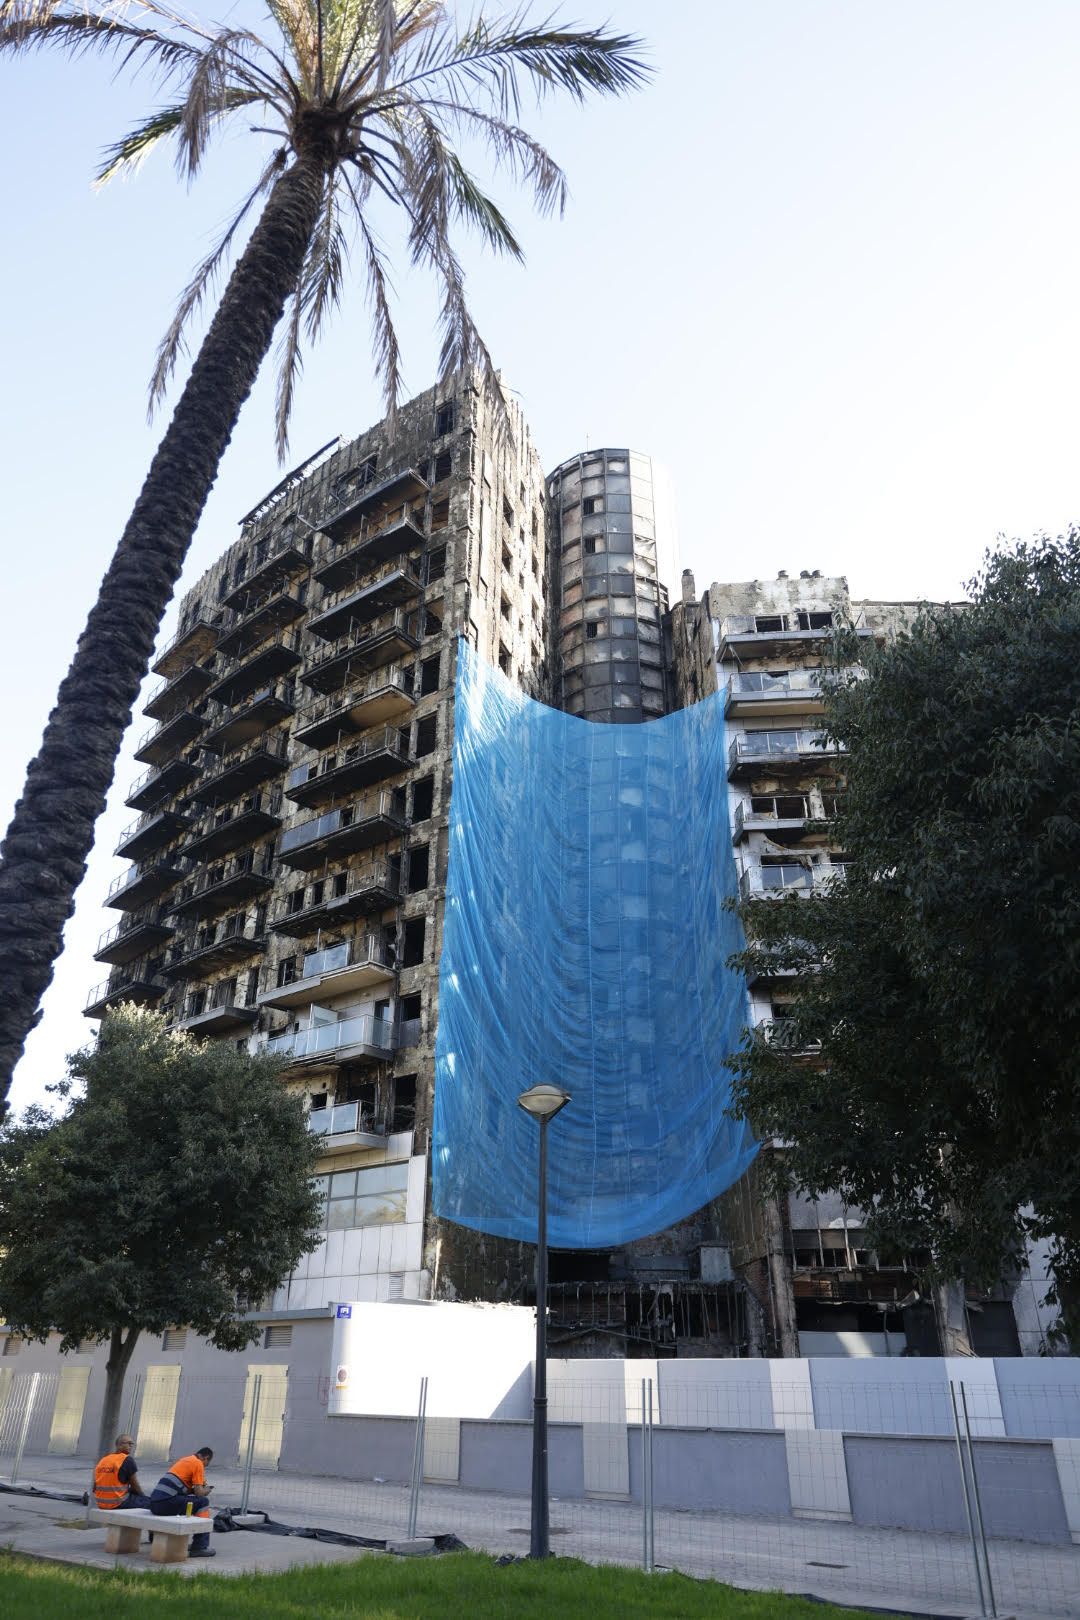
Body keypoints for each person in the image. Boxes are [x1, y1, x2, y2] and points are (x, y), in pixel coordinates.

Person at [149, 1446, 216, 1557]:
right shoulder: (198, 1463)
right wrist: (206, 1490)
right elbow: (199, 1493)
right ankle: (200, 1546)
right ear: (205, 1458)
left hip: (155, 1504)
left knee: (190, 1502)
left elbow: (180, 1488)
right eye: (206, 1465)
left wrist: (196, 1487)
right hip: (166, 1503)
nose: (204, 1468)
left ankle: (156, 1537)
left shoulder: (185, 1460)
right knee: (203, 1502)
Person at [92, 1433, 152, 1510]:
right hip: (118, 1503)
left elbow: (94, 1487)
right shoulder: (127, 1459)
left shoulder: (103, 1460)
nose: (131, 1446)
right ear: (119, 1445)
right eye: (129, 1443)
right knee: (152, 1503)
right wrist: (142, 1497)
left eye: (132, 1444)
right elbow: (135, 1486)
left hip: (101, 1503)